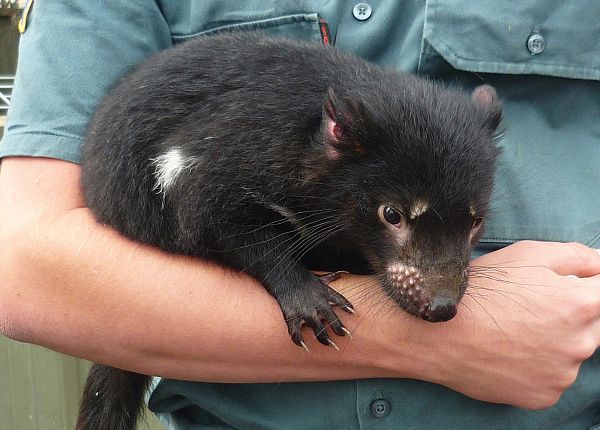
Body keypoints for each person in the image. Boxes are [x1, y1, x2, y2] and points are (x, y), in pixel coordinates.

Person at [1, 1, 599, 429]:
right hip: (162, 201)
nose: (446, 289)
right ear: (338, 137)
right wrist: (298, 288)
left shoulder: (401, 150)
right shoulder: (292, 147)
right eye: (397, 217)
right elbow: (30, 272)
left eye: (468, 227)